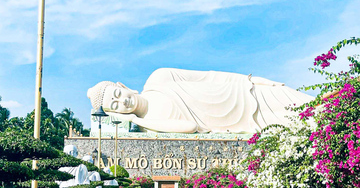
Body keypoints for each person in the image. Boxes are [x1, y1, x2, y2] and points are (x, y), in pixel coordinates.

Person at [87, 68, 313, 133]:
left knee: (310, 104)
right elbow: (190, 127)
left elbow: (212, 76)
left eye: (118, 95)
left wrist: (254, 80)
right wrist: (138, 120)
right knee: (306, 123)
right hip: (244, 123)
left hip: (245, 92)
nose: (123, 102)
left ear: (123, 87)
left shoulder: (159, 78)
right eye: (115, 107)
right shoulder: (152, 123)